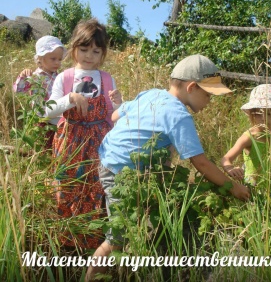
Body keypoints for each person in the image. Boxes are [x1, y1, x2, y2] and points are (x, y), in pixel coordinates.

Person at [85, 54, 250, 281]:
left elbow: (115, 115)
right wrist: (233, 187)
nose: (210, 102)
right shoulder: (179, 115)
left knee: (151, 212)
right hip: (122, 173)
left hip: (108, 159)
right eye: (209, 95)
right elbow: (200, 162)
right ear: (192, 87)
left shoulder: (152, 94)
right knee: (118, 237)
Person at [45, 18, 122, 249]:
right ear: (74, 48)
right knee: (67, 188)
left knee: (96, 189)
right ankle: (66, 241)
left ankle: (93, 243)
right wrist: (69, 99)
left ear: (103, 53)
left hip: (99, 146)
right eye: (84, 49)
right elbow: (47, 112)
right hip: (69, 145)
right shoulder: (65, 77)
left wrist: (119, 103)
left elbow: (114, 117)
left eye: (96, 51)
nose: (89, 55)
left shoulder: (107, 78)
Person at [221, 83, 271, 188]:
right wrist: (230, 168)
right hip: (256, 185)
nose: (263, 118)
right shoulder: (250, 136)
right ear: (251, 114)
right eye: (258, 114)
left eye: (268, 113)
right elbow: (226, 158)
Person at [13, 35, 66, 149]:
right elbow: (18, 90)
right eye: (53, 59)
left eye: (60, 59)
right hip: (41, 120)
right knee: (42, 146)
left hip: (57, 119)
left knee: (57, 147)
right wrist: (22, 76)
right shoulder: (34, 76)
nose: (57, 62)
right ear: (40, 58)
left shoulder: (60, 76)